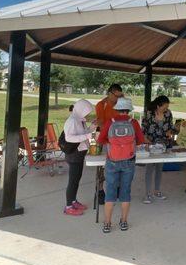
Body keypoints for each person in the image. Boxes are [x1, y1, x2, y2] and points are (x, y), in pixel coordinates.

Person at [97, 97, 145, 233]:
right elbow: (140, 141)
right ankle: (123, 222)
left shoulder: (109, 122)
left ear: (117, 109)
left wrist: (112, 142)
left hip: (112, 161)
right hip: (129, 161)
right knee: (125, 191)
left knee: (110, 193)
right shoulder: (134, 122)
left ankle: (107, 223)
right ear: (128, 110)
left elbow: (101, 140)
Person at [63, 99, 96, 216]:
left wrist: (92, 127)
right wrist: (88, 135)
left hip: (79, 153)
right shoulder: (72, 121)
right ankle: (68, 206)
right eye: (86, 111)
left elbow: (82, 133)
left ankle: (73, 201)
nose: (87, 114)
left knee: (76, 179)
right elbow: (69, 138)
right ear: (80, 109)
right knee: (73, 181)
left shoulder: (79, 120)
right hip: (74, 154)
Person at [141, 95, 174, 204]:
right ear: (158, 106)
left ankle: (157, 191)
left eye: (167, 107)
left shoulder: (168, 114)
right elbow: (143, 128)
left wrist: (171, 133)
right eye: (164, 107)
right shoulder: (149, 113)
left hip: (163, 145)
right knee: (149, 169)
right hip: (150, 144)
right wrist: (144, 141)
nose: (166, 109)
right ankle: (147, 194)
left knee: (159, 168)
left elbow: (171, 128)